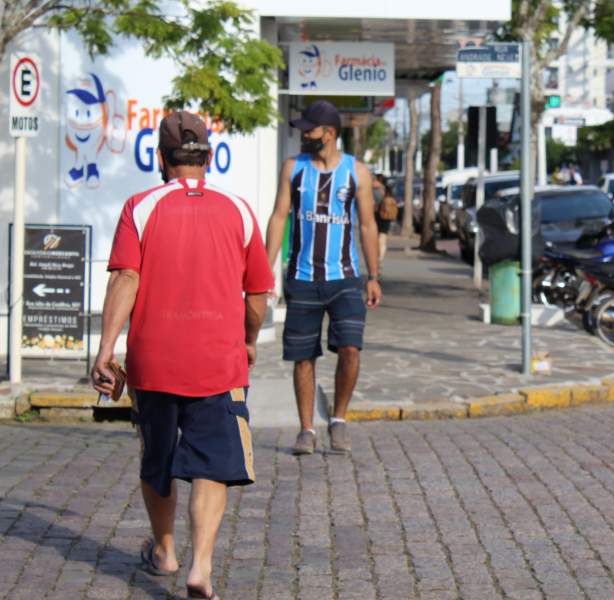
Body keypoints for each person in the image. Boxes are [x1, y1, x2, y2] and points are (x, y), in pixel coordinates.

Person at [91, 111, 274, 600]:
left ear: (160, 158)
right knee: (212, 464)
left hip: (154, 359)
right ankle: (201, 568)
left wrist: (107, 350)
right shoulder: (238, 210)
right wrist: (250, 337)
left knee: (158, 457)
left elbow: (125, 278)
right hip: (218, 359)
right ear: (208, 157)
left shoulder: (140, 206)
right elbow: (257, 293)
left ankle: (165, 549)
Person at [265, 100, 382, 456]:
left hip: (345, 277)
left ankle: (339, 420)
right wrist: (264, 271)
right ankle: (306, 430)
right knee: (304, 356)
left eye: (309, 129)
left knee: (350, 348)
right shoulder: (293, 168)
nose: (303, 134)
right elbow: (279, 217)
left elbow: (366, 224)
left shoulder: (356, 172)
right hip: (301, 277)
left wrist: (373, 276)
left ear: (328, 134)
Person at [373, 174, 398, 267]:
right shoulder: (387, 190)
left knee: (376, 237)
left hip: (375, 215)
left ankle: (376, 256)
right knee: (382, 238)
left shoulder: (372, 189)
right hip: (386, 216)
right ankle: (380, 258)